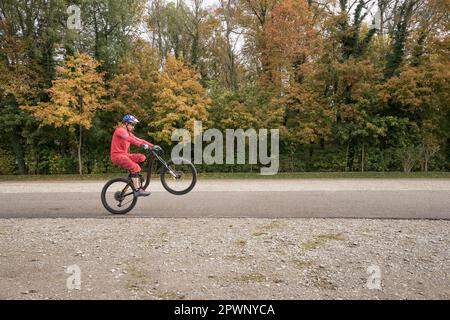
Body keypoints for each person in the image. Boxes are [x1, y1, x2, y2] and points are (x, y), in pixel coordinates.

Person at [110, 115, 161, 197]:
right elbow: (130, 140)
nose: (133, 127)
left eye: (134, 125)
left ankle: (134, 175)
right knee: (134, 167)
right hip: (117, 156)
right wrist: (141, 145)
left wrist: (153, 146)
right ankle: (137, 190)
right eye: (132, 125)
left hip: (124, 155)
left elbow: (140, 140)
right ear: (126, 123)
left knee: (142, 157)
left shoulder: (128, 133)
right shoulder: (120, 130)